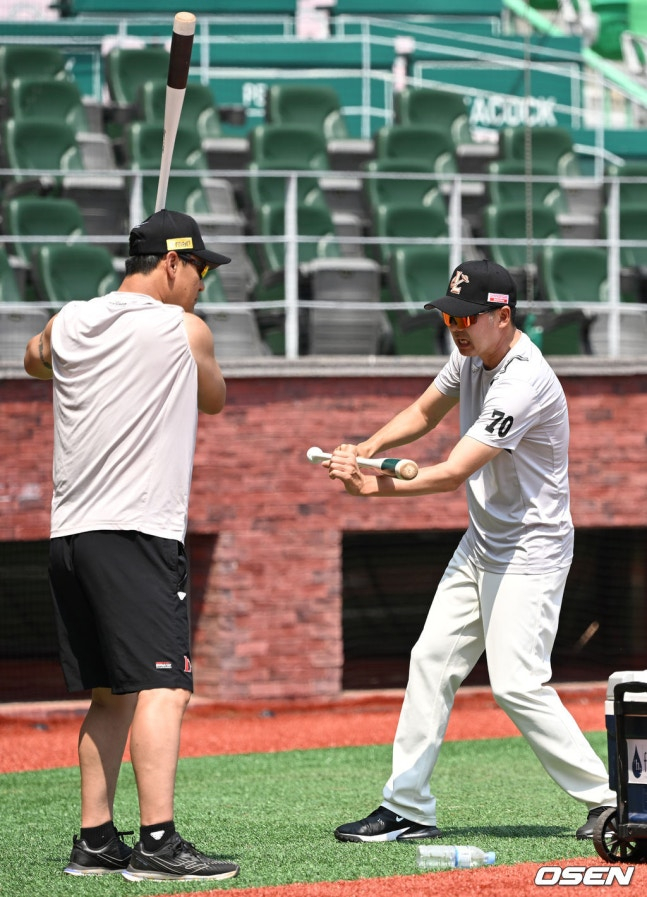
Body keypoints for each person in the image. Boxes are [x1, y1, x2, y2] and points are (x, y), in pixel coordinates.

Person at [320, 258, 615, 843]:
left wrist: (372, 486)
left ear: (503, 317)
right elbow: (425, 412)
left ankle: (611, 800)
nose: (455, 326)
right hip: (482, 541)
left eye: (468, 317)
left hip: (532, 550)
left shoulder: (523, 380)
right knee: (430, 660)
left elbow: (452, 472)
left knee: (516, 683)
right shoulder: (471, 353)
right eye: (450, 315)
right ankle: (407, 807)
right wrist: (366, 446)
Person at [24, 209, 240, 882]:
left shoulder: (70, 320)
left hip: (72, 538)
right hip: (137, 533)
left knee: (111, 694)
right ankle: (156, 840)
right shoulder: (185, 330)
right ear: (172, 263)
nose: (204, 282)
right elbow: (216, 398)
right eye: (199, 268)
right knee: (163, 687)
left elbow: (34, 360)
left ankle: (94, 839)